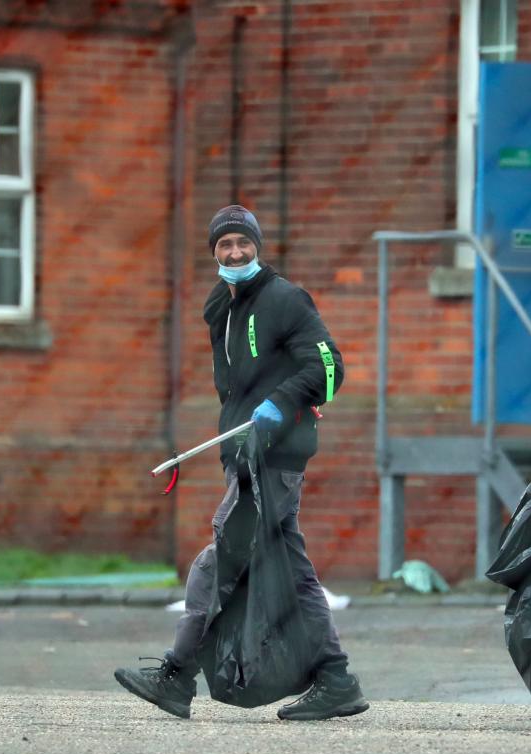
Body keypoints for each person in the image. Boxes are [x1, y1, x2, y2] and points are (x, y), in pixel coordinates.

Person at [114, 205, 368, 721]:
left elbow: (328, 365)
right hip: (244, 456)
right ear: (214, 252)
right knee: (292, 573)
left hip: (275, 456)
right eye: (225, 245)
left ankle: (177, 675)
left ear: (258, 246)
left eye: (243, 243)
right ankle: (336, 679)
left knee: (218, 561)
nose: (235, 253)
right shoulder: (220, 307)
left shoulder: (285, 299)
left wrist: (280, 403)